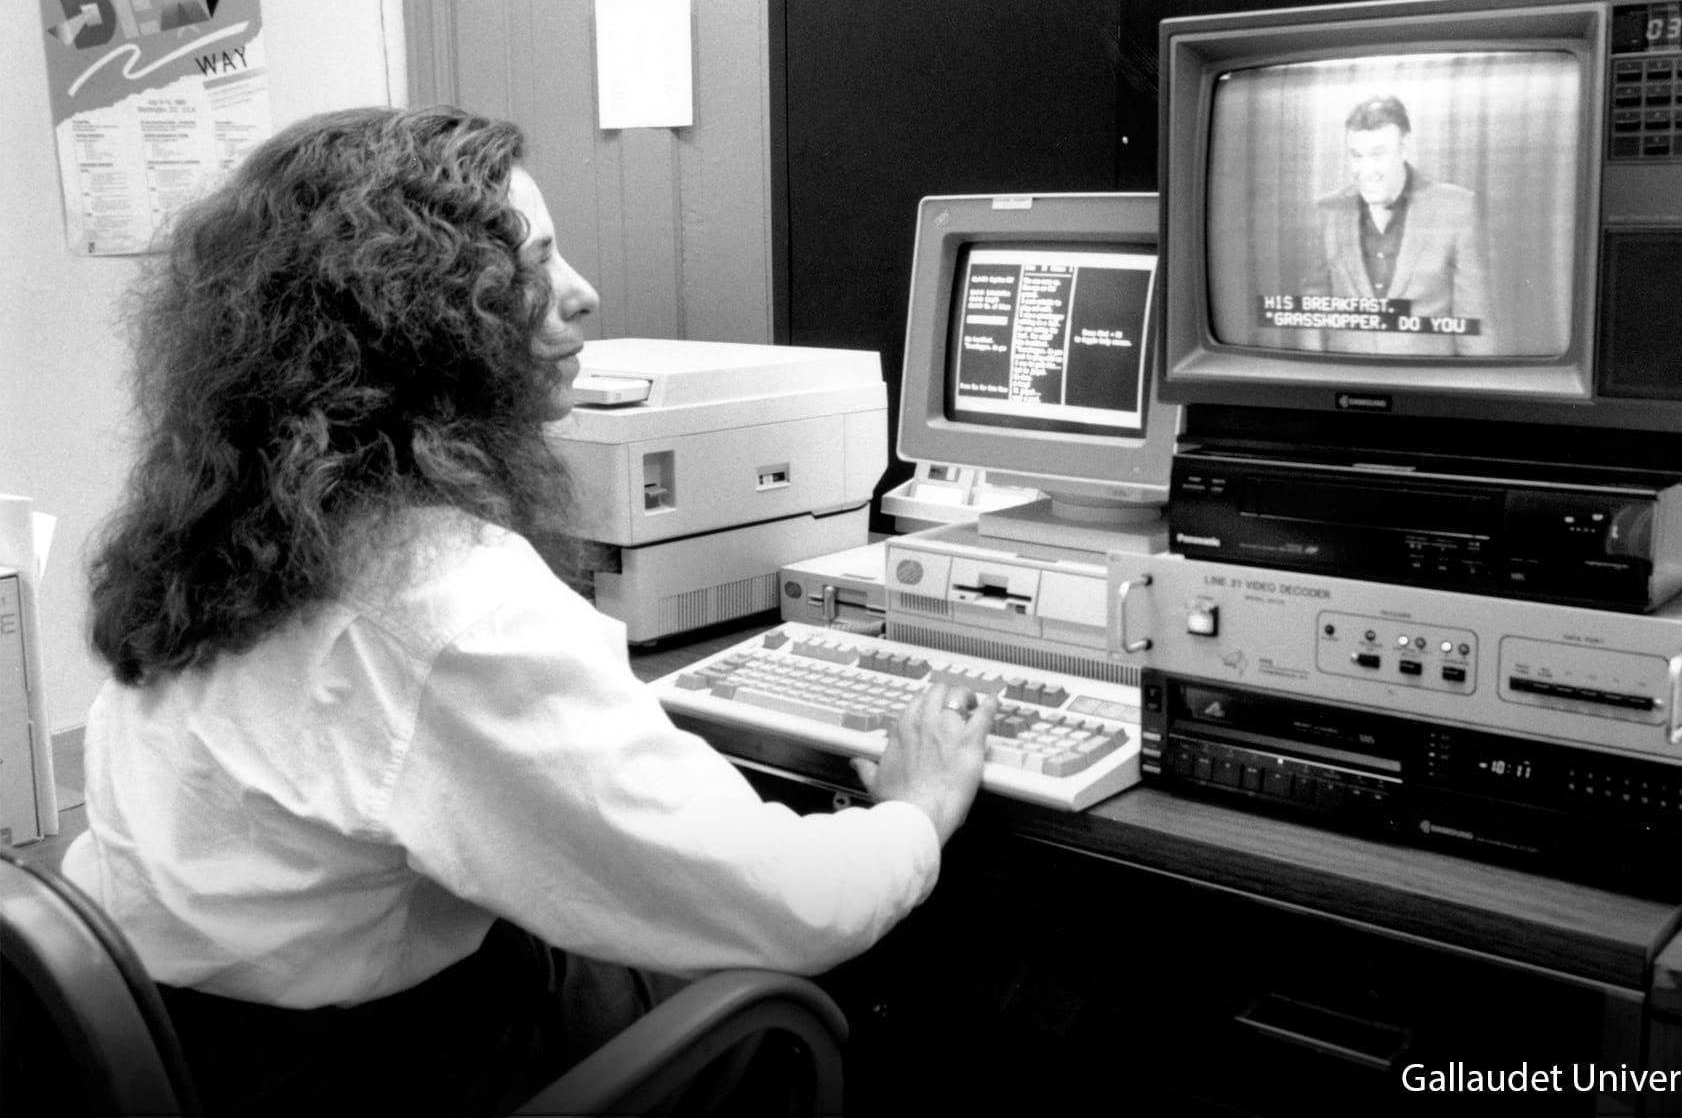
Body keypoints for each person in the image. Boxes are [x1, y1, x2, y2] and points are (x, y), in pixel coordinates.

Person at [62, 105, 996, 1115]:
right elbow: (794, 904)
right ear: (419, 320)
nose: (582, 293)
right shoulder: (443, 601)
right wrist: (912, 812)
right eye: (533, 267)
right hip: (369, 1072)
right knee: (803, 993)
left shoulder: (223, 529)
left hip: (186, 1039)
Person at [1303, 94, 1495, 355]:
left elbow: (1475, 318)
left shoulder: (1456, 208)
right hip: (1346, 380)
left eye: (1378, 154)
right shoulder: (1327, 211)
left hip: (1428, 384)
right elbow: (1312, 310)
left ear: (1404, 147)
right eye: (1356, 156)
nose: (1367, 170)